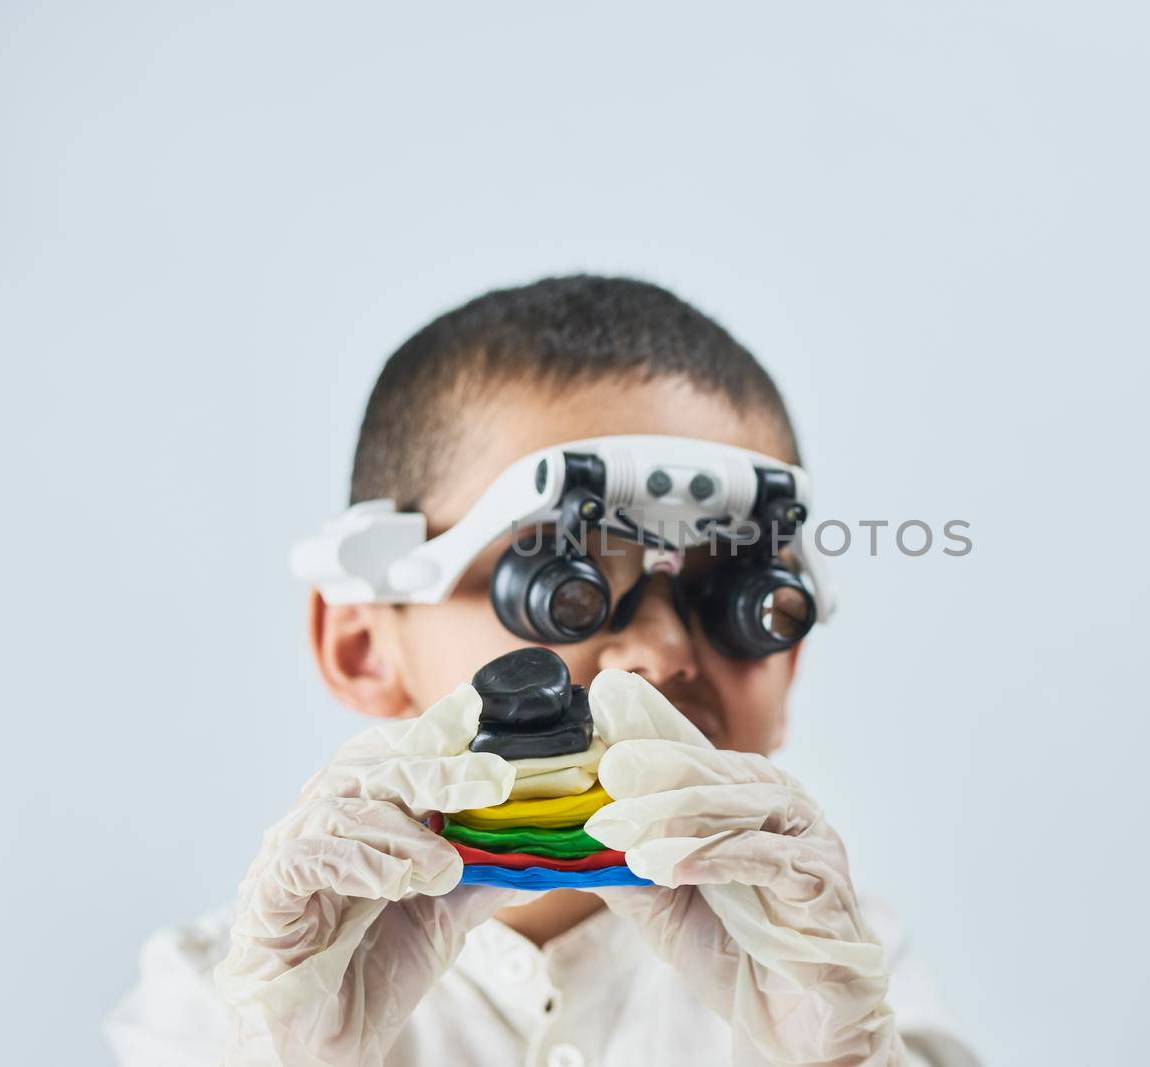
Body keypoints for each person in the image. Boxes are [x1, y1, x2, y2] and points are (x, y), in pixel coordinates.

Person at [106, 275, 980, 1066]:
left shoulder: (833, 964)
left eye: (738, 596)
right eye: (568, 591)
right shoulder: (215, 1003)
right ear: (365, 645)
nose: (662, 654)